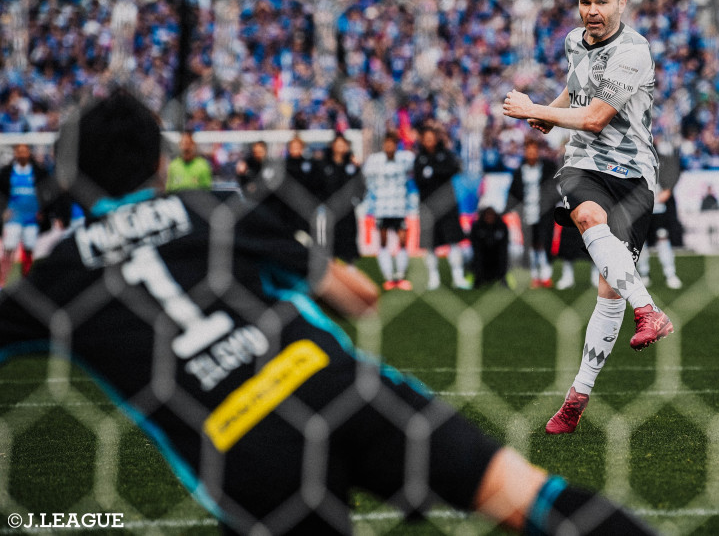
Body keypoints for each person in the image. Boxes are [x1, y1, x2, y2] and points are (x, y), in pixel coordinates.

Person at [0, 91, 657, 536]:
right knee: (529, 497)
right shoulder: (214, 206)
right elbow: (357, 296)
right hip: (337, 387)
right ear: (160, 162)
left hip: (241, 447)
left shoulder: (59, 274)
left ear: (72, 177)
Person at [503, 0, 673, 435]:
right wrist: (552, 113)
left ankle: (578, 396)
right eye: (584, 2)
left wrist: (534, 110)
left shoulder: (633, 52)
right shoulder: (574, 41)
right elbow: (577, 90)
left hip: (633, 174)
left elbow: (597, 116)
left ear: (622, 4)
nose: (592, 11)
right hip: (584, 164)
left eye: (601, 2)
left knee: (609, 290)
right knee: (586, 215)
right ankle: (649, 311)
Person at [413, 124, 470, 290]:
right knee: (430, 244)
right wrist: (437, 172)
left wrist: (433, 171)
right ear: (422, 141)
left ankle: (458, 277)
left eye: (431, 138)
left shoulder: (445, 154)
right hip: (428, 207)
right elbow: (419, 179)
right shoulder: (419, 159)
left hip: (448, 205)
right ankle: (433, 279)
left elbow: (453, 169)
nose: (429, 142)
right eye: (426, 139)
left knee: (454, 241)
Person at [364, 130, 414, 290]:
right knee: (383, 242)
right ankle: (388, 277)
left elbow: (415, 167)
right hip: (382, 208)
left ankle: (400, 275)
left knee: (403, 241)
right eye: (387, 143)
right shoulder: (375, 160)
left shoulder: (405, 159)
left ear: (396, 145)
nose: (389, 146)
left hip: (399, 208)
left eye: (392, 143)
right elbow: (367, 179)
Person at [506, 138, 559, 288]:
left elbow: (555, 187)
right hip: (527, 213)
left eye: (534, 150)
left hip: (544, 211)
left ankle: (546, 275)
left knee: (544, 242)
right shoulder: (519, 171)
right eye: (528, 150)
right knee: (531, 244)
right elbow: (513, 193)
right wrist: (510, 209)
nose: (531, 153)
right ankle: (535, 276)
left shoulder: (548, 168)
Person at [0, 143, 50, 284]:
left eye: (24, 151)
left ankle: (27, 280)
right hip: (14, 217)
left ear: (29, 153)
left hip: (32, 217)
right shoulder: (7, 172)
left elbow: (47, 192)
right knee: (8, 249)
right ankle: (2, 280)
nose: (22, 154)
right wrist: (3, 211)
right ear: (15, 153)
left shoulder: (38, 172)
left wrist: (43, 212)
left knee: (29, 250)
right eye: (19, 151)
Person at [638, 138, 683, 289]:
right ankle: (644, 273)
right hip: (640, 208)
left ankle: (670, 273)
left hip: (659, 207)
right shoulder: (634, 159)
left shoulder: (662, 160)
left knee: (663, 237)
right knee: (640, 241)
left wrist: (668, 189)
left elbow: (673, 169)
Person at [318, 133, 364, 265]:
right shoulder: (324, 165)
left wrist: (356, 200)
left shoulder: (352, 165)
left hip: (347, 209)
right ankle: (330, 268)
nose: (340, 147)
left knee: (349, 238)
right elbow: (317, 186)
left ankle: (350, 266)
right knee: (330, 239)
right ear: (333, 146)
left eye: (343, 144)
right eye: (338, 144)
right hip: (330, 209)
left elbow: (360, 185)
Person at [469, 205, 510, 287]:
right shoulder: (477, 226)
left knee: (506, 253)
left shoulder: (501, 226)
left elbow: (504, 245)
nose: (489, 217)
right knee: (471, 254)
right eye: (487, 215)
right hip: (482, 253)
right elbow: (475, 245)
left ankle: (502, 277)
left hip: (497, 253)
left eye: (491, 215)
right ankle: (478, 278)